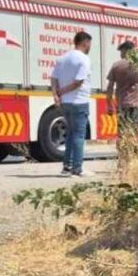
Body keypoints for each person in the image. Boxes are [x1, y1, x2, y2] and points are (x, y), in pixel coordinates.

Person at [50, 31, 92, 177]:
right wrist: (61, 91)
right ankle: (77, 168)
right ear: (85, 42)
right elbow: (78, 82)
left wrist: (56, 94)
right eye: (89, 43)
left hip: (66, 104)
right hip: (79, 101)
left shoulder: (62, 58)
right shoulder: (84, 59)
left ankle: (66, 167)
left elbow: (53, 78)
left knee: (70, 135)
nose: (89, 46)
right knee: (79, 136)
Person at [105, 40, 138, 158]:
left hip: (122, 105)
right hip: (137, 104)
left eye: (121, 51)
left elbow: (110, 87)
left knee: (122, 133)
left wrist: (109, 104)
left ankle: (123, 160)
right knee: (135, 132)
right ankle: (134, 159)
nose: (120, 54)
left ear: (125, 50)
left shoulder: (117, 65)